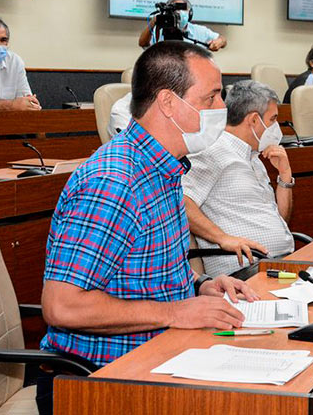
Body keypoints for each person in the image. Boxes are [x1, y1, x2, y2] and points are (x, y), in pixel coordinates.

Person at [37, 41, 256, 413]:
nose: (222, 109)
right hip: (96, 382)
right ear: (169, 103)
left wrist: (201, 286)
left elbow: (146, 267)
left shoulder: (164, 169)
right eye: (212, 98)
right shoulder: (113, 182)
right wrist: (176, 312)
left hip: (157, 359)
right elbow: (62, 307)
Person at [182, 80, 294, 277]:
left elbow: (280, 221)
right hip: (244, 271)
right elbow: (181, 200)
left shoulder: (254, 157)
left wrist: (285, 178)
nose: (276, 128)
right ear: (252, 120)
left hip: (278, 263)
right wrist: (222, 238)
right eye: (273, 119)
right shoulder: (213, 150)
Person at [138, 0, 227, 51]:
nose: (180, 12)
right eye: (175, 8)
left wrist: (220, 41)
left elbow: (223, 40)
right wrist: (153, 22)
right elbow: (143, 43)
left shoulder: (199, 31)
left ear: (190, 13)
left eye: (183, 8)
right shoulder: (159, 30)